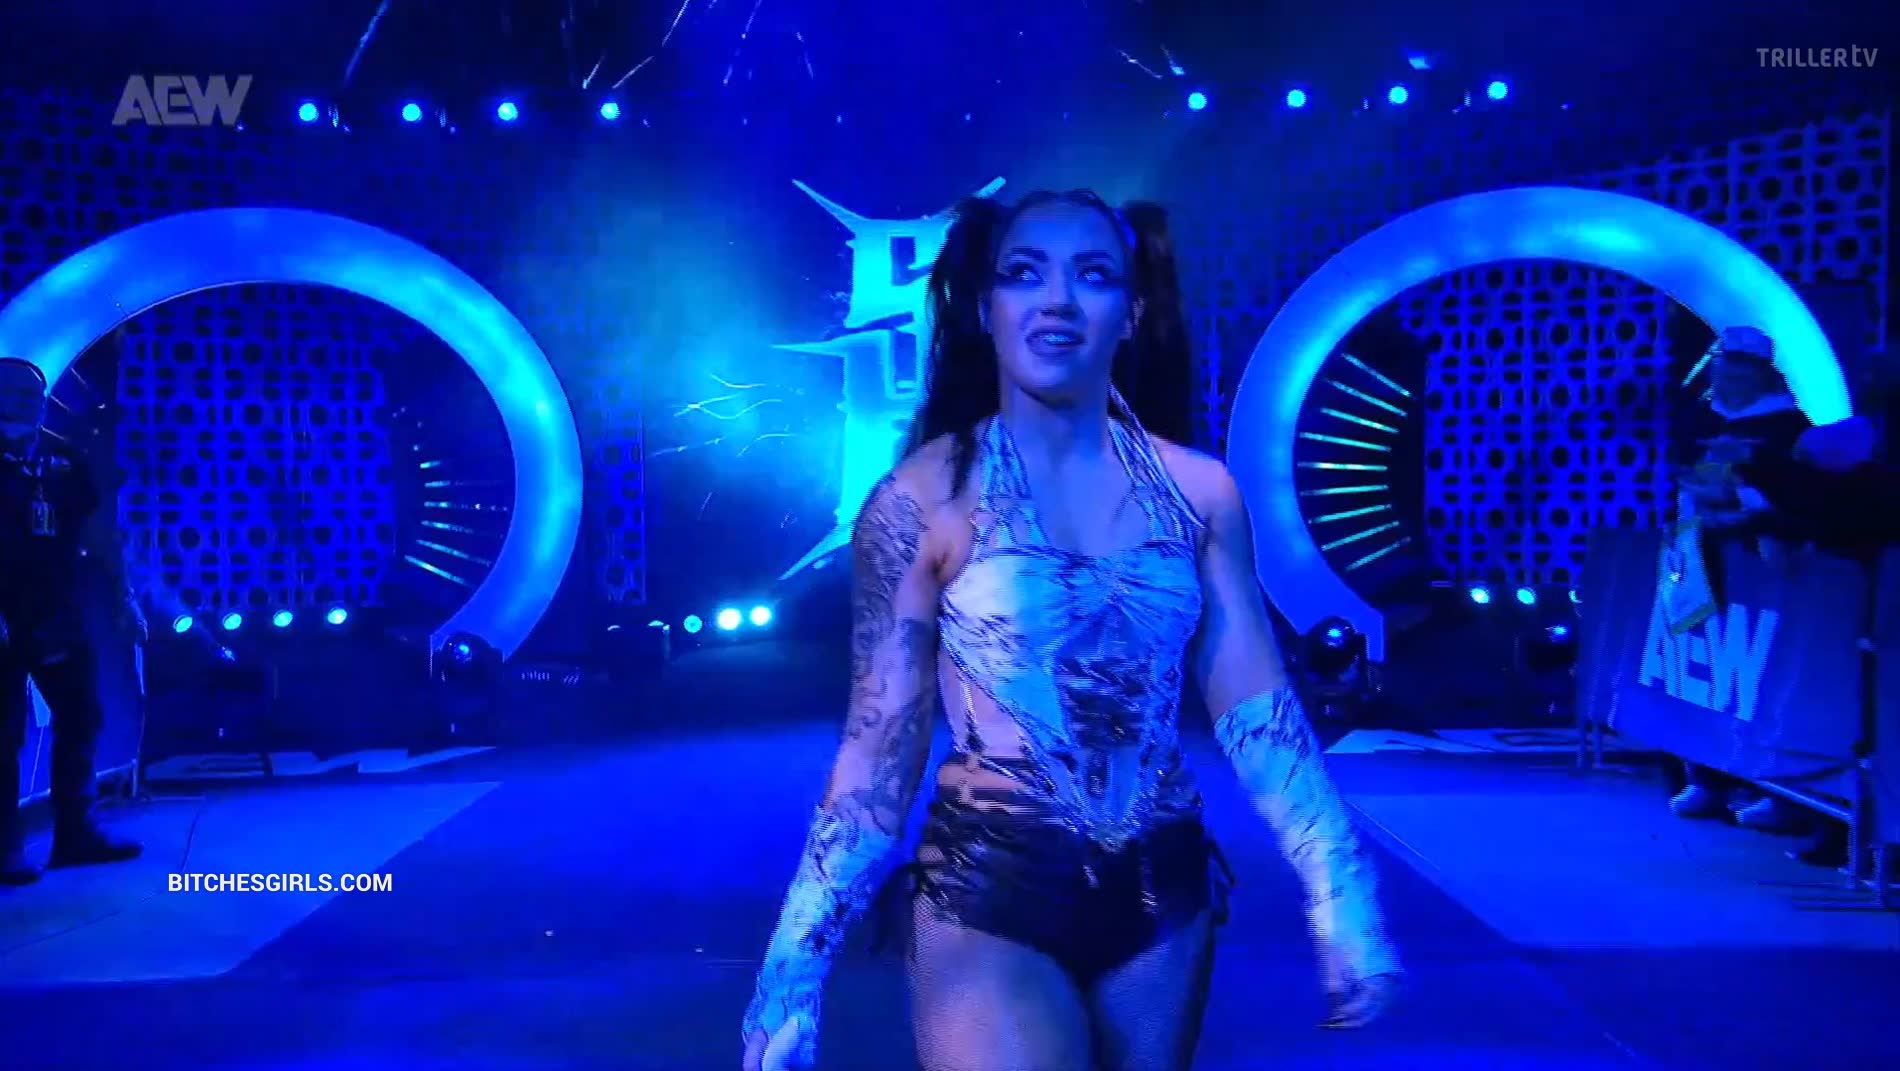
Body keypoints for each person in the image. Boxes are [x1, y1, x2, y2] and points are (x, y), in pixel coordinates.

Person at [738, 191, 1399, 1071]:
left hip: (1163, 896)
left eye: (1092, 275)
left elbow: (1256, 708)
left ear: (1132, 312)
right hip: (987, 886)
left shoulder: (1201, 496)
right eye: (1025, 273)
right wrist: (792, 967)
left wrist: (1339, 888)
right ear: (986, 309)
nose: (1057, 299)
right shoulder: (920, 502)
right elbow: (878, 751)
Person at [1, 355, 144, 885]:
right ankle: (5, 848)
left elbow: (100, 533)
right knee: (3, 731)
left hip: (53, 612)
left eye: (30, 395)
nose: (21, 403)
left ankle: (75, 835)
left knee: (82, 714)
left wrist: (124, 598)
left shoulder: (62, 460)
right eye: (9, 392)